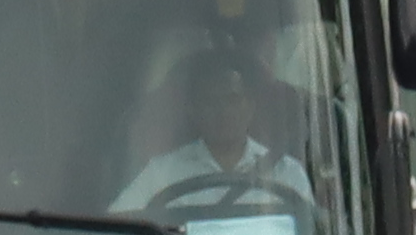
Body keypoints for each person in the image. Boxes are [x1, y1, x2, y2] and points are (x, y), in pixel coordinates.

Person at [112, 54, 320, 223]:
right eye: (210, 101)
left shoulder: (287, 174)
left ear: (251, 107)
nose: (223, 112)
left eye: (233, 99)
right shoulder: (161, 174)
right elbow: (118, 228)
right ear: (193, 111)